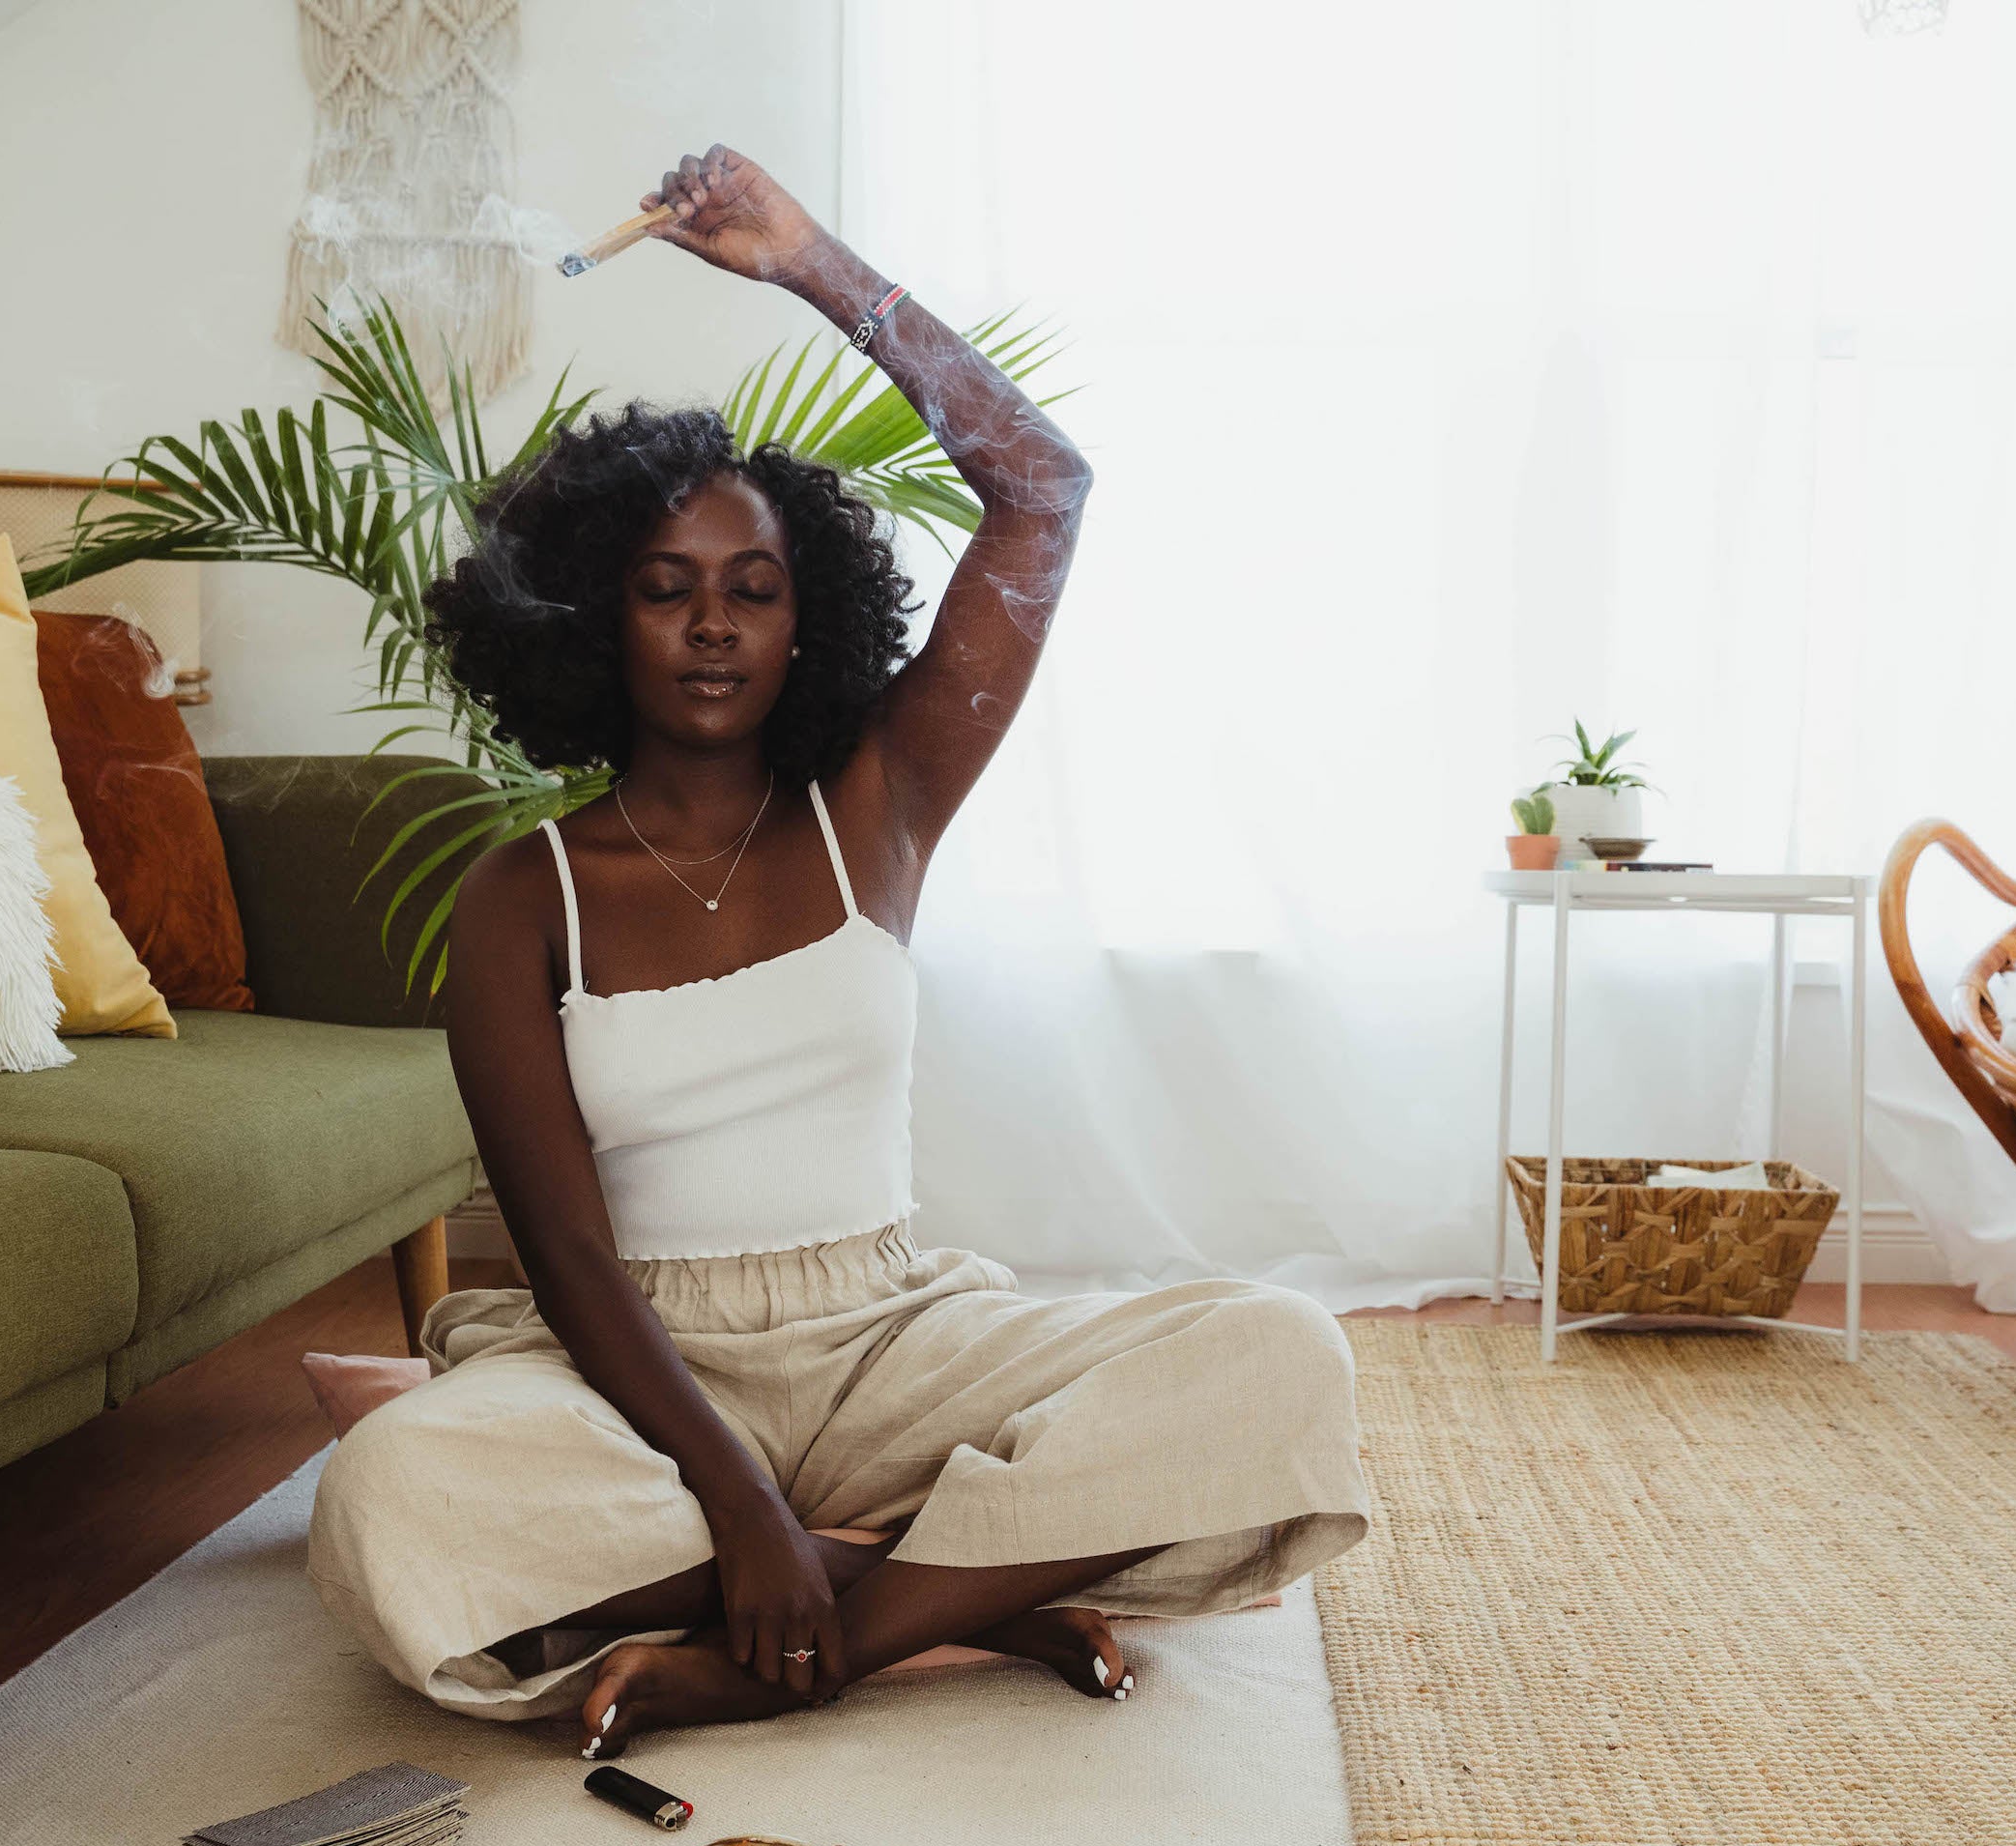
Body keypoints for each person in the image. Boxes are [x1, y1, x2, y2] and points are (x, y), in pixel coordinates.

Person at [306, 148, 1368, 1759]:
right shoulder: (522, 892)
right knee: (387, 1499)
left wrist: (811, 262)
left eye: (754, 588)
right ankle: (956, 1585)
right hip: (635, 1371)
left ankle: (802, 1642)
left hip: (892, 1339)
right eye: (667, 593)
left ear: (808, 619)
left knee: (1282, 1355)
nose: (716, 624)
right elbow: (570, 1261)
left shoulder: (880, 797)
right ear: (598, 622)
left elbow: (1043, 488)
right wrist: (737, 1500)